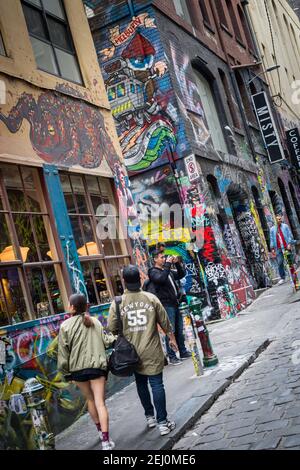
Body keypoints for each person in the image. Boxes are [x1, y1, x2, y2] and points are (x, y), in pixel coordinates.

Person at [107, 265, 178, 436]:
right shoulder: (151, 298)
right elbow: (165, 321)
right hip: (152, 349)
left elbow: (112, 327)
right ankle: (163, 422)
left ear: (123, 281)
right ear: (139, 279)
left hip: (131, 353)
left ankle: (150, 417)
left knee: (141, 383)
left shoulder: (117, 302)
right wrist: (172, 339)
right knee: (156, 384)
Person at [57, 293, 116, 450]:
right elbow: (108, 341)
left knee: (90, 401)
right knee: (100, 403)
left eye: (69, 303)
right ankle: (105, 441)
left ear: (73, 307)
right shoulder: (95, 321)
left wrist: (65, 371)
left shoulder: (65, 326)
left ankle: (99, 432)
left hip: (77, 371)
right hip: (97, 367)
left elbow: (63, 353)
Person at [148, 251, 192, 365]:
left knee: (179, 329)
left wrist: (177, 263)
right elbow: (161, 279)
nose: (164, 259)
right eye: (162, 257)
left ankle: (182, 351)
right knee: (170, 331)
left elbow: (181, 274)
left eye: (165, 257)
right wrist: (168, 264)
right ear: (155, 260)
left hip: (175, 303)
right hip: (166, 305)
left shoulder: (168, 271)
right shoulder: (153, 272)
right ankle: (172, 356)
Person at [270, 214, 295, 285]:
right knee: (280, 263)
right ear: (275, 220)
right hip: (278, 248)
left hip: (286, 246)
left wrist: (289, 244)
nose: (279, 220)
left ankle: (293, 275)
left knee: (289, 261)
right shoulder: (272, 229)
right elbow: (271, 239)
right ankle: (282, 277)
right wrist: (272, 248)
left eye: (280, 219)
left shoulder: (285, 226)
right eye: (278, 219)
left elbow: (289, 235)